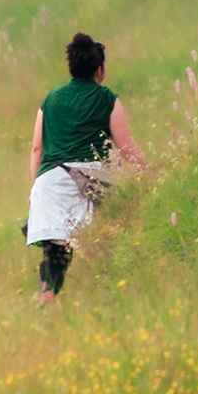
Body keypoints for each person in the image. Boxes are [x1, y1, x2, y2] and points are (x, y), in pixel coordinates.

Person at [26, 32, 142, 301]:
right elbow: (126, 150)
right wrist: (150, 178)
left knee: (56, 254)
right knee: (106, 245)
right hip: (88, 183)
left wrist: (33, 190)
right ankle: (109, 298)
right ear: (99, 69)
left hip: (49, 184)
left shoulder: (50, 99)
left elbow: (36, 149)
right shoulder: (107, 99)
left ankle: (47, 296)